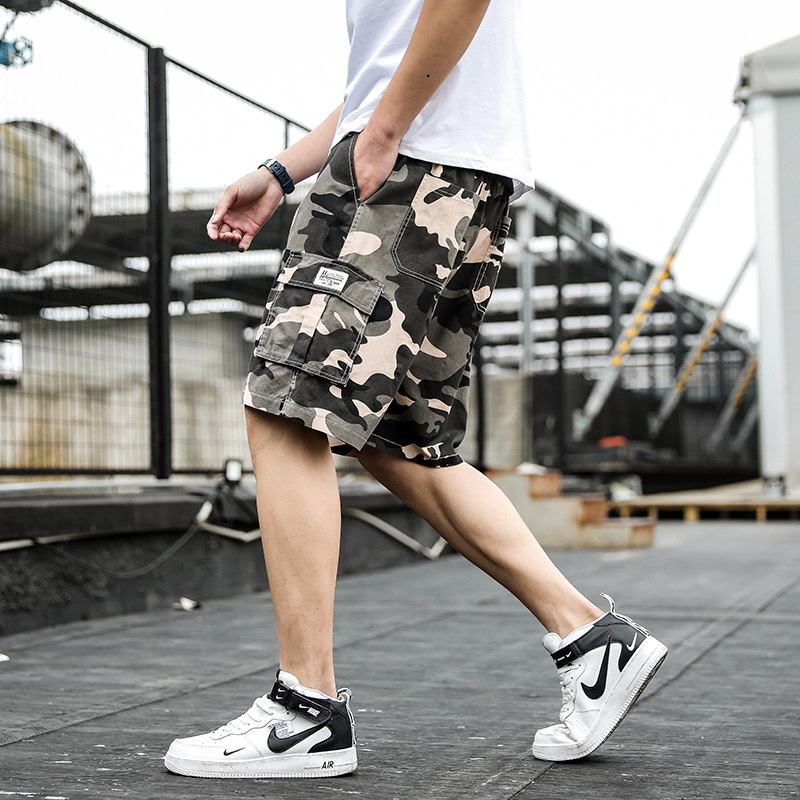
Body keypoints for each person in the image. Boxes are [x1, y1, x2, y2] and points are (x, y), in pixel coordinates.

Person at [163, 0, 667, 780]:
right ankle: (591, 640)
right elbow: (384, 69)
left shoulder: (400, 135)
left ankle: (306, 711)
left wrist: (386, 132)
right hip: (457, 173)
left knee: (287, 407)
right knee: (402, 441)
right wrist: (283, 171)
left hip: (409, 165)